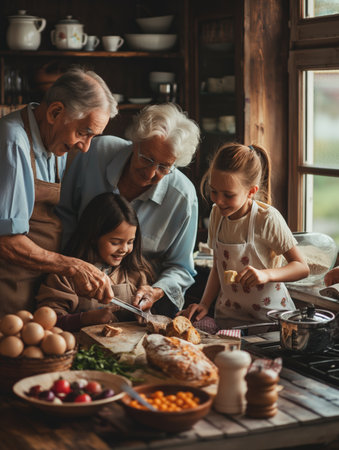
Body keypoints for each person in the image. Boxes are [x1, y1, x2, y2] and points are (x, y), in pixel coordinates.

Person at [56, 103, 201, 317]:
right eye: (147, 159)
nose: (151, 173)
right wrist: (67, 265)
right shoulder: (95, 153)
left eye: (164, 167)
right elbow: (62, 215)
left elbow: (181, 268)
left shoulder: (182, 197)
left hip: (135, 300)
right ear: (135, 142)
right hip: (72, 280)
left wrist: (156, 290)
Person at [0, 67, 118, 316]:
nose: (85, 148)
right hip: (7, 288)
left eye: (92, 137)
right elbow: (6, 242)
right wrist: (72, 267)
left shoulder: (54, 142)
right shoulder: (12, 141)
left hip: (36, 283)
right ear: (55, 112)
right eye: (83, 133)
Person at [179, 142, 310, 329]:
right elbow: (217, 267)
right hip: (229, 319)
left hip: (269, 321)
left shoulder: (267, 219)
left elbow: (302, 267)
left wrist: (266, 275)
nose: (219, 200)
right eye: (214, 191)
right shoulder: (217, 214)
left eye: (228, 195)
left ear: (251, 191)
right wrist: (205, 304)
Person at [36, 192, 155, 331]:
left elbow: (148, 314)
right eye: (115, 242)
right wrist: (85, 319)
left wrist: (145, 313)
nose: (124, 249)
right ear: (94, 237)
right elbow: (46, 322)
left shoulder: (136, 274)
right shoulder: (65, 276)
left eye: (130, 242)